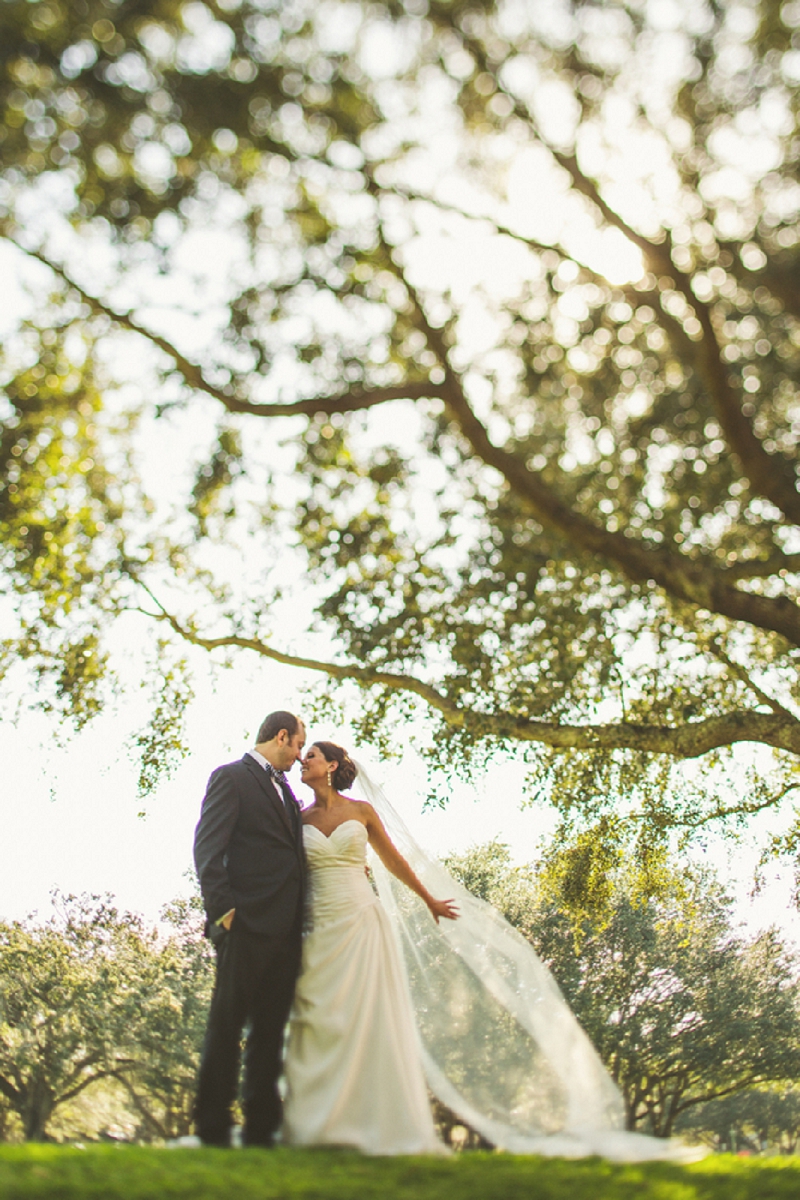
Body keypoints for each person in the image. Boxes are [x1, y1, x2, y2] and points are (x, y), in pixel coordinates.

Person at [282, 741, 458, 1154]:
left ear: (332, 766)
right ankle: (315, 1120)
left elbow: (393, 860)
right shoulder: (296, 817)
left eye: (310, 756)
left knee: (364, 1017)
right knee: (317, 1019)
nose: (302, 761)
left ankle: (369, 1119)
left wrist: (428, 898)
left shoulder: (361, 812)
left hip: (361, 920)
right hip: (315, 924)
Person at [193, 710, 306, 1148]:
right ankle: (212, 1126)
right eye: (298, 745)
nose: (299, 756)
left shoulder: (287, 793)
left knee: (269, 1031)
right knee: (226, 1026)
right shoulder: (231, 777)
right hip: (243, 927)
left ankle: (260, 1128)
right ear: (281, 736)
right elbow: (208, 847)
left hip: (285, 931)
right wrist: (224, 912)